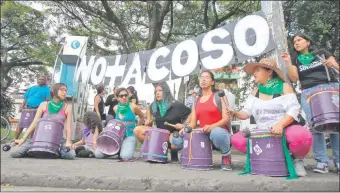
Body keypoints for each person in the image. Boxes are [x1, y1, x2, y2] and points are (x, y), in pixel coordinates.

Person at [229, 58, 313, 177]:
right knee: (238, 139)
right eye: (254, 71)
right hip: (263, 132)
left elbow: (294, 109)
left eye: (258, 70)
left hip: (283, 130)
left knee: (300, 136)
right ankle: (264, 157)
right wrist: (235, 113)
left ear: (269, 72)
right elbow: (246, 112)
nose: (254, 73)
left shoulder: (284, 86)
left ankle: (296, 160)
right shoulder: (255, 91)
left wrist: (281, 124)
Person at [282, 33, 339, 174]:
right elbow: (294, 78)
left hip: (329, 88)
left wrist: (333, 64)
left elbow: (337, 68)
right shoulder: (296, 59)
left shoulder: (321, 53)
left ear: (308, 42)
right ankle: (322, 162)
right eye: (294, 41)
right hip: (309, 92)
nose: (296, 43)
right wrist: (288, 62)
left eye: (299, 40)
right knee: (315, 126)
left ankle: (338, 161)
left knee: (336, 125)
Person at [171, 70, 232, 171]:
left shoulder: (219, 95)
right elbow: (193, 123)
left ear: (212, 82)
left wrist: (211, 127)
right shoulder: (196, 100)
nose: (203, 79)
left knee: (216, 133)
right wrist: (185, 128)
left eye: (207, 77)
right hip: (203, 133)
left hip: (219, 132)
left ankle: (226, 155)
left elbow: (226, 119)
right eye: (201, 77)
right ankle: (191, 153)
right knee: (176, 139)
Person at [10, 83, 74, 159]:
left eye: (66, 90)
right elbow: (34, 123)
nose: (65, 92)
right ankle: (34, 151)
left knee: (69, 155)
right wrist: (23, 138)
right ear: (54, 91)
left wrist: (68, 142)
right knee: (14, 153)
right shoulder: (44, 105)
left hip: (57, 140)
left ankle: (55, 151)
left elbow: (68, 127)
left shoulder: (67, 107)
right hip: (38, 138)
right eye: (62, 90)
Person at [134, 83, 191, 162]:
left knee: (176, 144)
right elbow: (149, 122)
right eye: (156, 91)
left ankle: (173, 152)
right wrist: (148, 122)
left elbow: (191, 115)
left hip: (173, 133)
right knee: (137, 130)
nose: (157, 93)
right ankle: (155, 151)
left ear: (166, 92)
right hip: (159, 134)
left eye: (160, 90)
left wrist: (184, 124)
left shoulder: (177, 105)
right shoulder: (153, 106)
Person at [94, 88, 145, 160]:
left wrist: (137, 128)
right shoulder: (115, 108)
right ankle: (117, 150)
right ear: (117, 98)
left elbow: (142, 117)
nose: (124, 97)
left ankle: (122, 150)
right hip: (117, 136)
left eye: (125, 95)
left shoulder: (133, 106)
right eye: (121, 96)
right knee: (98, 154)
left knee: (125, 157)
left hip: (129, 136)